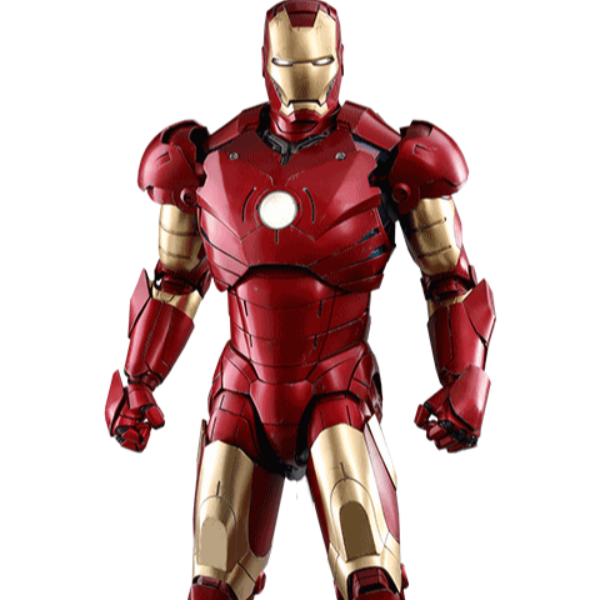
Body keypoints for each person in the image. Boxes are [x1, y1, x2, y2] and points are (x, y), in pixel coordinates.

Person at [105, 2, 496, 600]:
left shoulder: (389, 156)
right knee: (213, 578)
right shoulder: (209, 159)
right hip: (243, 386)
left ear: (338, 62)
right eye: (292, 65)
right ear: (268, 64)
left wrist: (467, 378)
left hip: (336, 382)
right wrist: (136, 379)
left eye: (318, 64)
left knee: (368, 567)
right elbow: (174, 282)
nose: (305, 84)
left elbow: (450, 280)